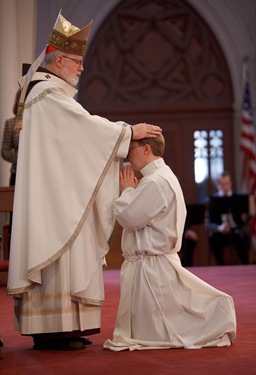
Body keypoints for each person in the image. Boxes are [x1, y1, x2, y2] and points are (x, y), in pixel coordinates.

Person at [6, 11, 162, 351]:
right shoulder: (47, 95)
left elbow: (79, 135)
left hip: (62, 190)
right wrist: (128, 132)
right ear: (58, 60)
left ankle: (66, 328)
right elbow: (85, 129)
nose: (81, 67)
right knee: (63, 247)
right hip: (55, 199)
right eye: (76, 61)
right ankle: (52, 331)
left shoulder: (49, 95)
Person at [103, 135, 236, 351]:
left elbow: (129, 217)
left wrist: (127, 190)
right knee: (152, 326)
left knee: (159, 329)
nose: (127, 155)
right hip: (149, 264)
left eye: (131, 148)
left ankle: (219, 317)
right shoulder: (157, 177)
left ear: (146, 149)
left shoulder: (156, 181)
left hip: (152, 267)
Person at [206, 171, 251, 265]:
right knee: (214, 239)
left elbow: (248, 216)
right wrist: (219, 228)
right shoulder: (212, 201)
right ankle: (220, 267)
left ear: (230, 183)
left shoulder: (239, 198)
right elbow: (208, 222)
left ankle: (245, 265)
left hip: (236, 230)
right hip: (220, 231)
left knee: (240, 237)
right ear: (217, 185)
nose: (225, 186)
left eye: (227, 183)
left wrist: (244, 216)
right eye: (222, 184)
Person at [1, 89, 21, 186]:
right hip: (16, 173)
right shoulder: (10, 123)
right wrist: (20, 158)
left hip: (36, 171)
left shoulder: (37, 122)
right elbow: (5, 151)